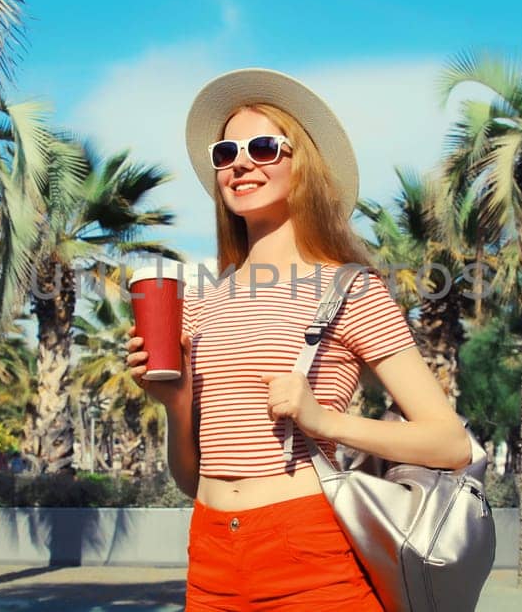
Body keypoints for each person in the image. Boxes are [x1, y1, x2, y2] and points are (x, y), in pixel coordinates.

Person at [125, 69, 472, 611]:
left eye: (263, 147)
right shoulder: (199, 303)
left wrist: (325, 422)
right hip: (211, 555)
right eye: (225, 152)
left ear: (301, 163)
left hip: (310, 552)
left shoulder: (350, 288)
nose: (240, 163)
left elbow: (449, 443)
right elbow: (193, 480)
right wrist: (175, 403)